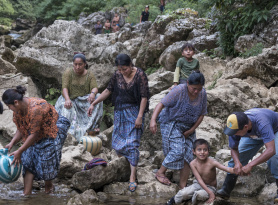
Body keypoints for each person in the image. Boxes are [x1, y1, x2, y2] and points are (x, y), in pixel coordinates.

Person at [87, 53, 149, 192]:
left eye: (124, 69)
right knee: (118, 143)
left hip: (134, 113)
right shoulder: (117, 75)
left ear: (131, 65)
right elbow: (108, 91)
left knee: (132, 144)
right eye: (120, 69)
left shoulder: (140, 75)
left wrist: (140, 116)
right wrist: (94, 104)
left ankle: (132, 177)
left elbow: (144, 97)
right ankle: (126, 168)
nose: (122, 72)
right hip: (120, 112)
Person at [2, 86, 70, 195]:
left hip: (51, 130)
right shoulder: (18, 109)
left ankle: (49, 187)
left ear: (16, 102)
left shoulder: (36, 109)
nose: (9, 109)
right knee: (28, 159)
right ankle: (26, 193)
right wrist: (12, 143)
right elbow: (20, 128)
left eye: (9, 106)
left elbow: (34, 135)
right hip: (35, 133)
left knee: (46, 161)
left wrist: (19, 151)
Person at [150, 71, 207, 189]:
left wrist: (191, 130)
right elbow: (161, 104)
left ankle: (182, 185)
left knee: (189, 155)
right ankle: (160, 172)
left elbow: (202, 114)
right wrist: (153, 120)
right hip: (172, 122)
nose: (196, 91)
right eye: (194, 88)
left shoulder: (203, 93)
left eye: (199, 89)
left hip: (189, 126)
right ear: (187, 83)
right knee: (177, 150)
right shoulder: (179, 90)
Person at [217, 109, 278, 203]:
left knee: (274, 158)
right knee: (238, 158)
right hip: (254, 135)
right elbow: (234, 148)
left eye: (235, 132)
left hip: (276, 129)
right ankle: (226, 191)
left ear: (246, 127)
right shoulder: (234, 126)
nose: (233, 134)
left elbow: (271, 150)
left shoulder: (262, 123)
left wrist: (250, 165)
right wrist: (238, 163)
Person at [166, 139, 236, 205]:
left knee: (198, 195)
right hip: (197, 184)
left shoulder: (212, 162)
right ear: (194, 151)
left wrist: (236, 170)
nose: (202, 152)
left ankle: (190, 200)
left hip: (210, 187)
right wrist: (210, 194)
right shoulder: (192, 163)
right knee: (183, 193)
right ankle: (172, 201)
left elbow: (226, 168)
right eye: (199, 150)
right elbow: (199, 180)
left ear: (208, 151)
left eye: (205, 150)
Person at [54, 53, 103, 140]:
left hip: (83, 101)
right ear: (73, 64)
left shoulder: (89, 74)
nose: (77, 67)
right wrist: (67, 99)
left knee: (98, 97)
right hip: (69, 99)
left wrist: (92, 94)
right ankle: (69, 134)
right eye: (75, 64)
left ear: (85, 64)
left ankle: (91, 127)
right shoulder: (68, 72)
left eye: (80, 64)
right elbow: (64, 88)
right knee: (66, 109)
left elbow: (95, 88)